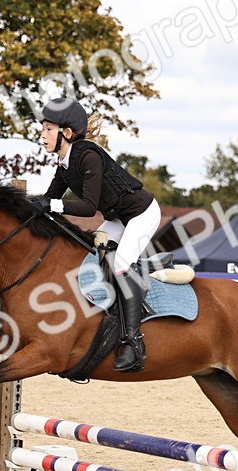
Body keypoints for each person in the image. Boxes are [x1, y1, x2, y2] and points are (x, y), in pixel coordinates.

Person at [33, 98, 161, 372]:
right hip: (118, 219)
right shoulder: (64, 165)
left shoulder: (88, 155)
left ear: (66, 132)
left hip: (141, 214)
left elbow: (89, 207)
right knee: (88, 259)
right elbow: (47, 201)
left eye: (47, 129)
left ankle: (132, 342)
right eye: (42, 129)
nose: (42, 135)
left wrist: (52, 205)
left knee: (119, 265)